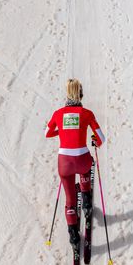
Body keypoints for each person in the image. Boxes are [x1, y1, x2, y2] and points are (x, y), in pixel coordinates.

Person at [45, 79, 105, 248]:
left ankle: (73, 235)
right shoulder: (87, 114)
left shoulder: (58, 114)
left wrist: (61, 131)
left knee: (70, 199)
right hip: (82, 159)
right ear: (81, 94)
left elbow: (47, 133)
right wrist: (94, 140)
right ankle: (86, 202)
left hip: (64, 163)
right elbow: (101, 138)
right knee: (86, 169)